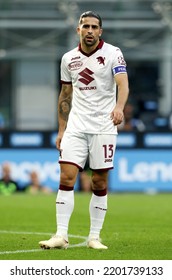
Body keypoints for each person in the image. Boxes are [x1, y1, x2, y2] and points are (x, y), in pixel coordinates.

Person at [39, 11, 129, 250]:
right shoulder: (68, 59)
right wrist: (61, 130)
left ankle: (94, 237)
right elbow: (65, 96)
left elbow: (123, 84)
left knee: (99, 181)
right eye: (85, 26)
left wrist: (119, 108)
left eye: (94, 27)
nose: (89, 30)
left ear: (100, 31)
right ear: (77, 30)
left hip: (103, 126)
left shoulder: (113, 53)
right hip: (76, 127)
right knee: (66, 176)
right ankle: (60, 235)